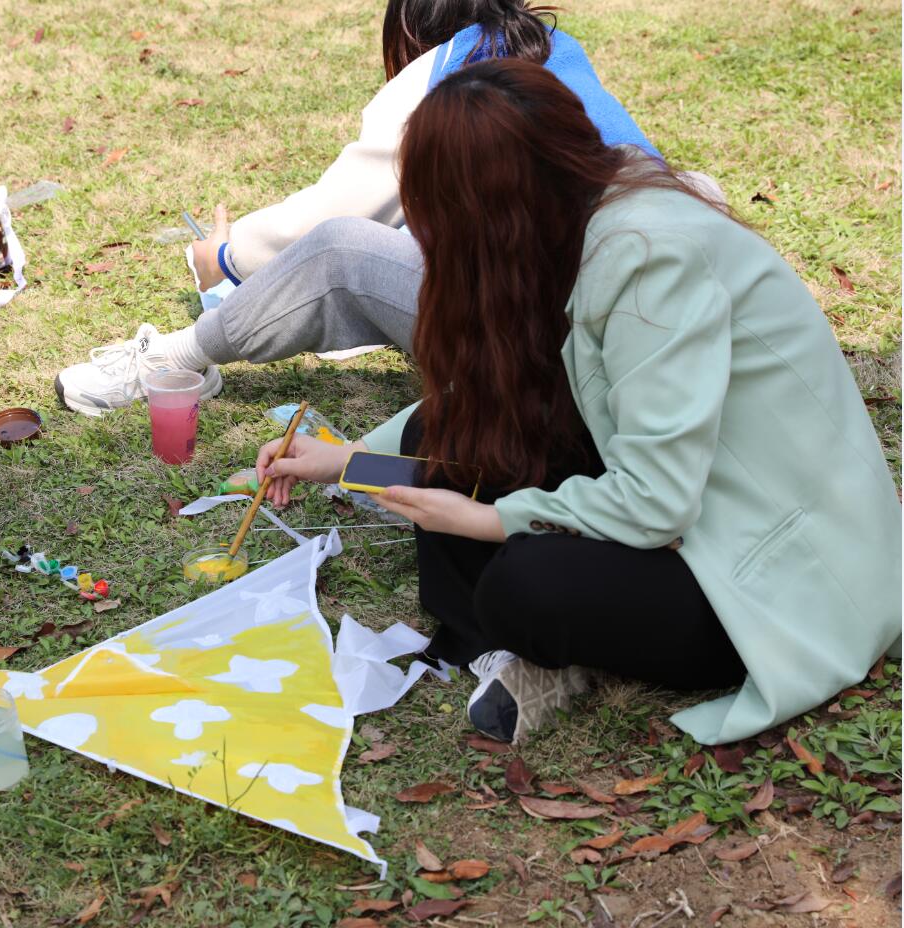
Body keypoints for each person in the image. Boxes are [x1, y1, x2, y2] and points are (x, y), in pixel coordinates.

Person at [253, 59, 900, 746]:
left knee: (526, 585)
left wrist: (490, 520)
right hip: (686, 505)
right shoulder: (574, 220)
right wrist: (348, 460)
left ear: (490, 212)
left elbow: (657, 500)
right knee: (437, 444)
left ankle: (542, 644)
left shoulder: (649, 257)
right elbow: (498, 402)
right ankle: (520, 647)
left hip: (764, 572)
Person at [55, 0, 670, 416]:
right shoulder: (560, 52)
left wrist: (224, 255)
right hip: (659, 321)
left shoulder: (444, 75)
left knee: (340, 252)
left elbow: (325, 224)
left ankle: (177, 361)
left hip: (560, 358)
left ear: (410, 27)